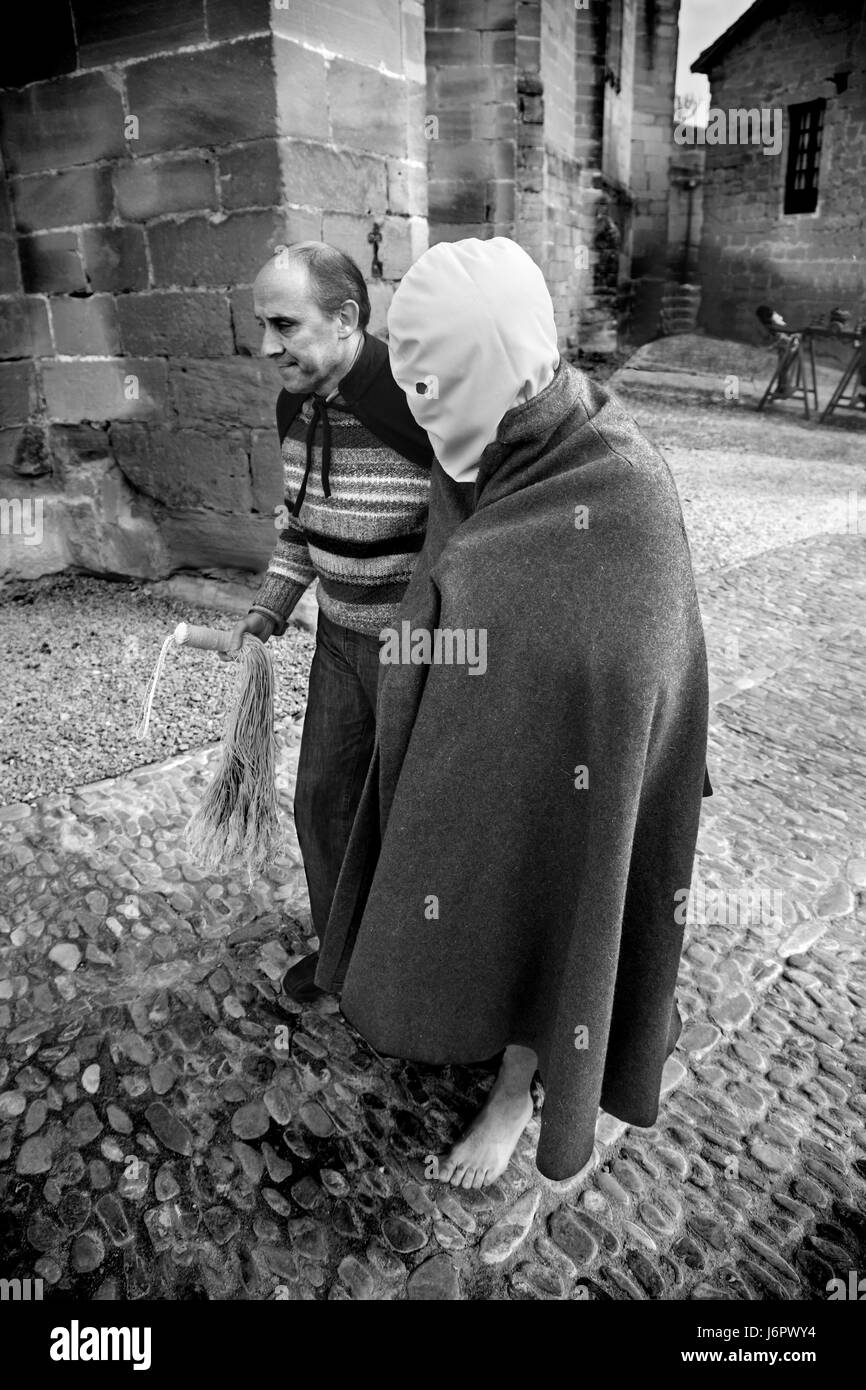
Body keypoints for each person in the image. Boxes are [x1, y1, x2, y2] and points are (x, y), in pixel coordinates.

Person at [315, 237, 712, 1187]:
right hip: (464, 732)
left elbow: (639, 667)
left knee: (561, 879)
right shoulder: (477, 455)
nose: (419, 406)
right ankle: (455, 1007)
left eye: (435, 383)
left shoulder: (622, 486)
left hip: (573, 769)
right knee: (464, 877)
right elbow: (450, 583)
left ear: (494, 364)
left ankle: (520, 1086)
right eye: (409, 383)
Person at [225, 242, 434, 1002]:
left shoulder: (419, 401)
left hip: (419, 652)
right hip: (340, 642)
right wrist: (266, 612)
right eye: (261, 325)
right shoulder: (294, 404)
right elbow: (296, 528)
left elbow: (471, 531)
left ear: (345, 318)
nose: (268, 346)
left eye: (284, 323)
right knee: (324, 799)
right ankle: (345, 954)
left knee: (416, 814)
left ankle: (420, 970)